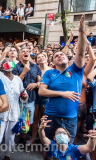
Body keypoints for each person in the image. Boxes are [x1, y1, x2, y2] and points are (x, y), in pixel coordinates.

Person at [38, 15, 87, 159]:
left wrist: (81, 33)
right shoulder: (49, 73)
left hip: (70, 118)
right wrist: (62, 93)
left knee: (66, 150)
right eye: (56, 55)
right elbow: (42, 91)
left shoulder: (76, 70)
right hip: (50, 116)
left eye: (62, 54)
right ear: (53, 62)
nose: (60, 56)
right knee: (47, 146)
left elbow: (80, 51)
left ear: (68, 58)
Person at [0, 54, 27, 160]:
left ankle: (7, 156)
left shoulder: (18, 80)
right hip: (1, 112)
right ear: (1, 66)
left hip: (14, 112)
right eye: (5, 62)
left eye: (10, 61)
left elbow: (23, 93)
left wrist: (24, 96)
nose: (8, 63)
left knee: (11, 137)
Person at [12, 46, 41, 151]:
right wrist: (24, 72)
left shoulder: (35, 67)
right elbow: (14, 83)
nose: (26, 52)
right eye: (23, 51)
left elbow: (40, 82)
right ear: (19, 56)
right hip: (16, 100)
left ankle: (22, 140)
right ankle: (10, 139)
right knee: (14, 119)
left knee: (26, 121)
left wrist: (36, 84)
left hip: (30, 99)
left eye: (28, 51)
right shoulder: (16, 67)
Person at [27, 52, 51, 145]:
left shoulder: (52, 70)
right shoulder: (35, 69)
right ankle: (33, 137)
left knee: (44, 117)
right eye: (39, 57)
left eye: (43, 56)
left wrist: (37, 84)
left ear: (46, 58)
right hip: (36, 95)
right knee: (35, 117)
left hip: (46, 96)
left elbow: (42, 83)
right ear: (36, 60)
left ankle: (44, 138)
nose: (41, 58)